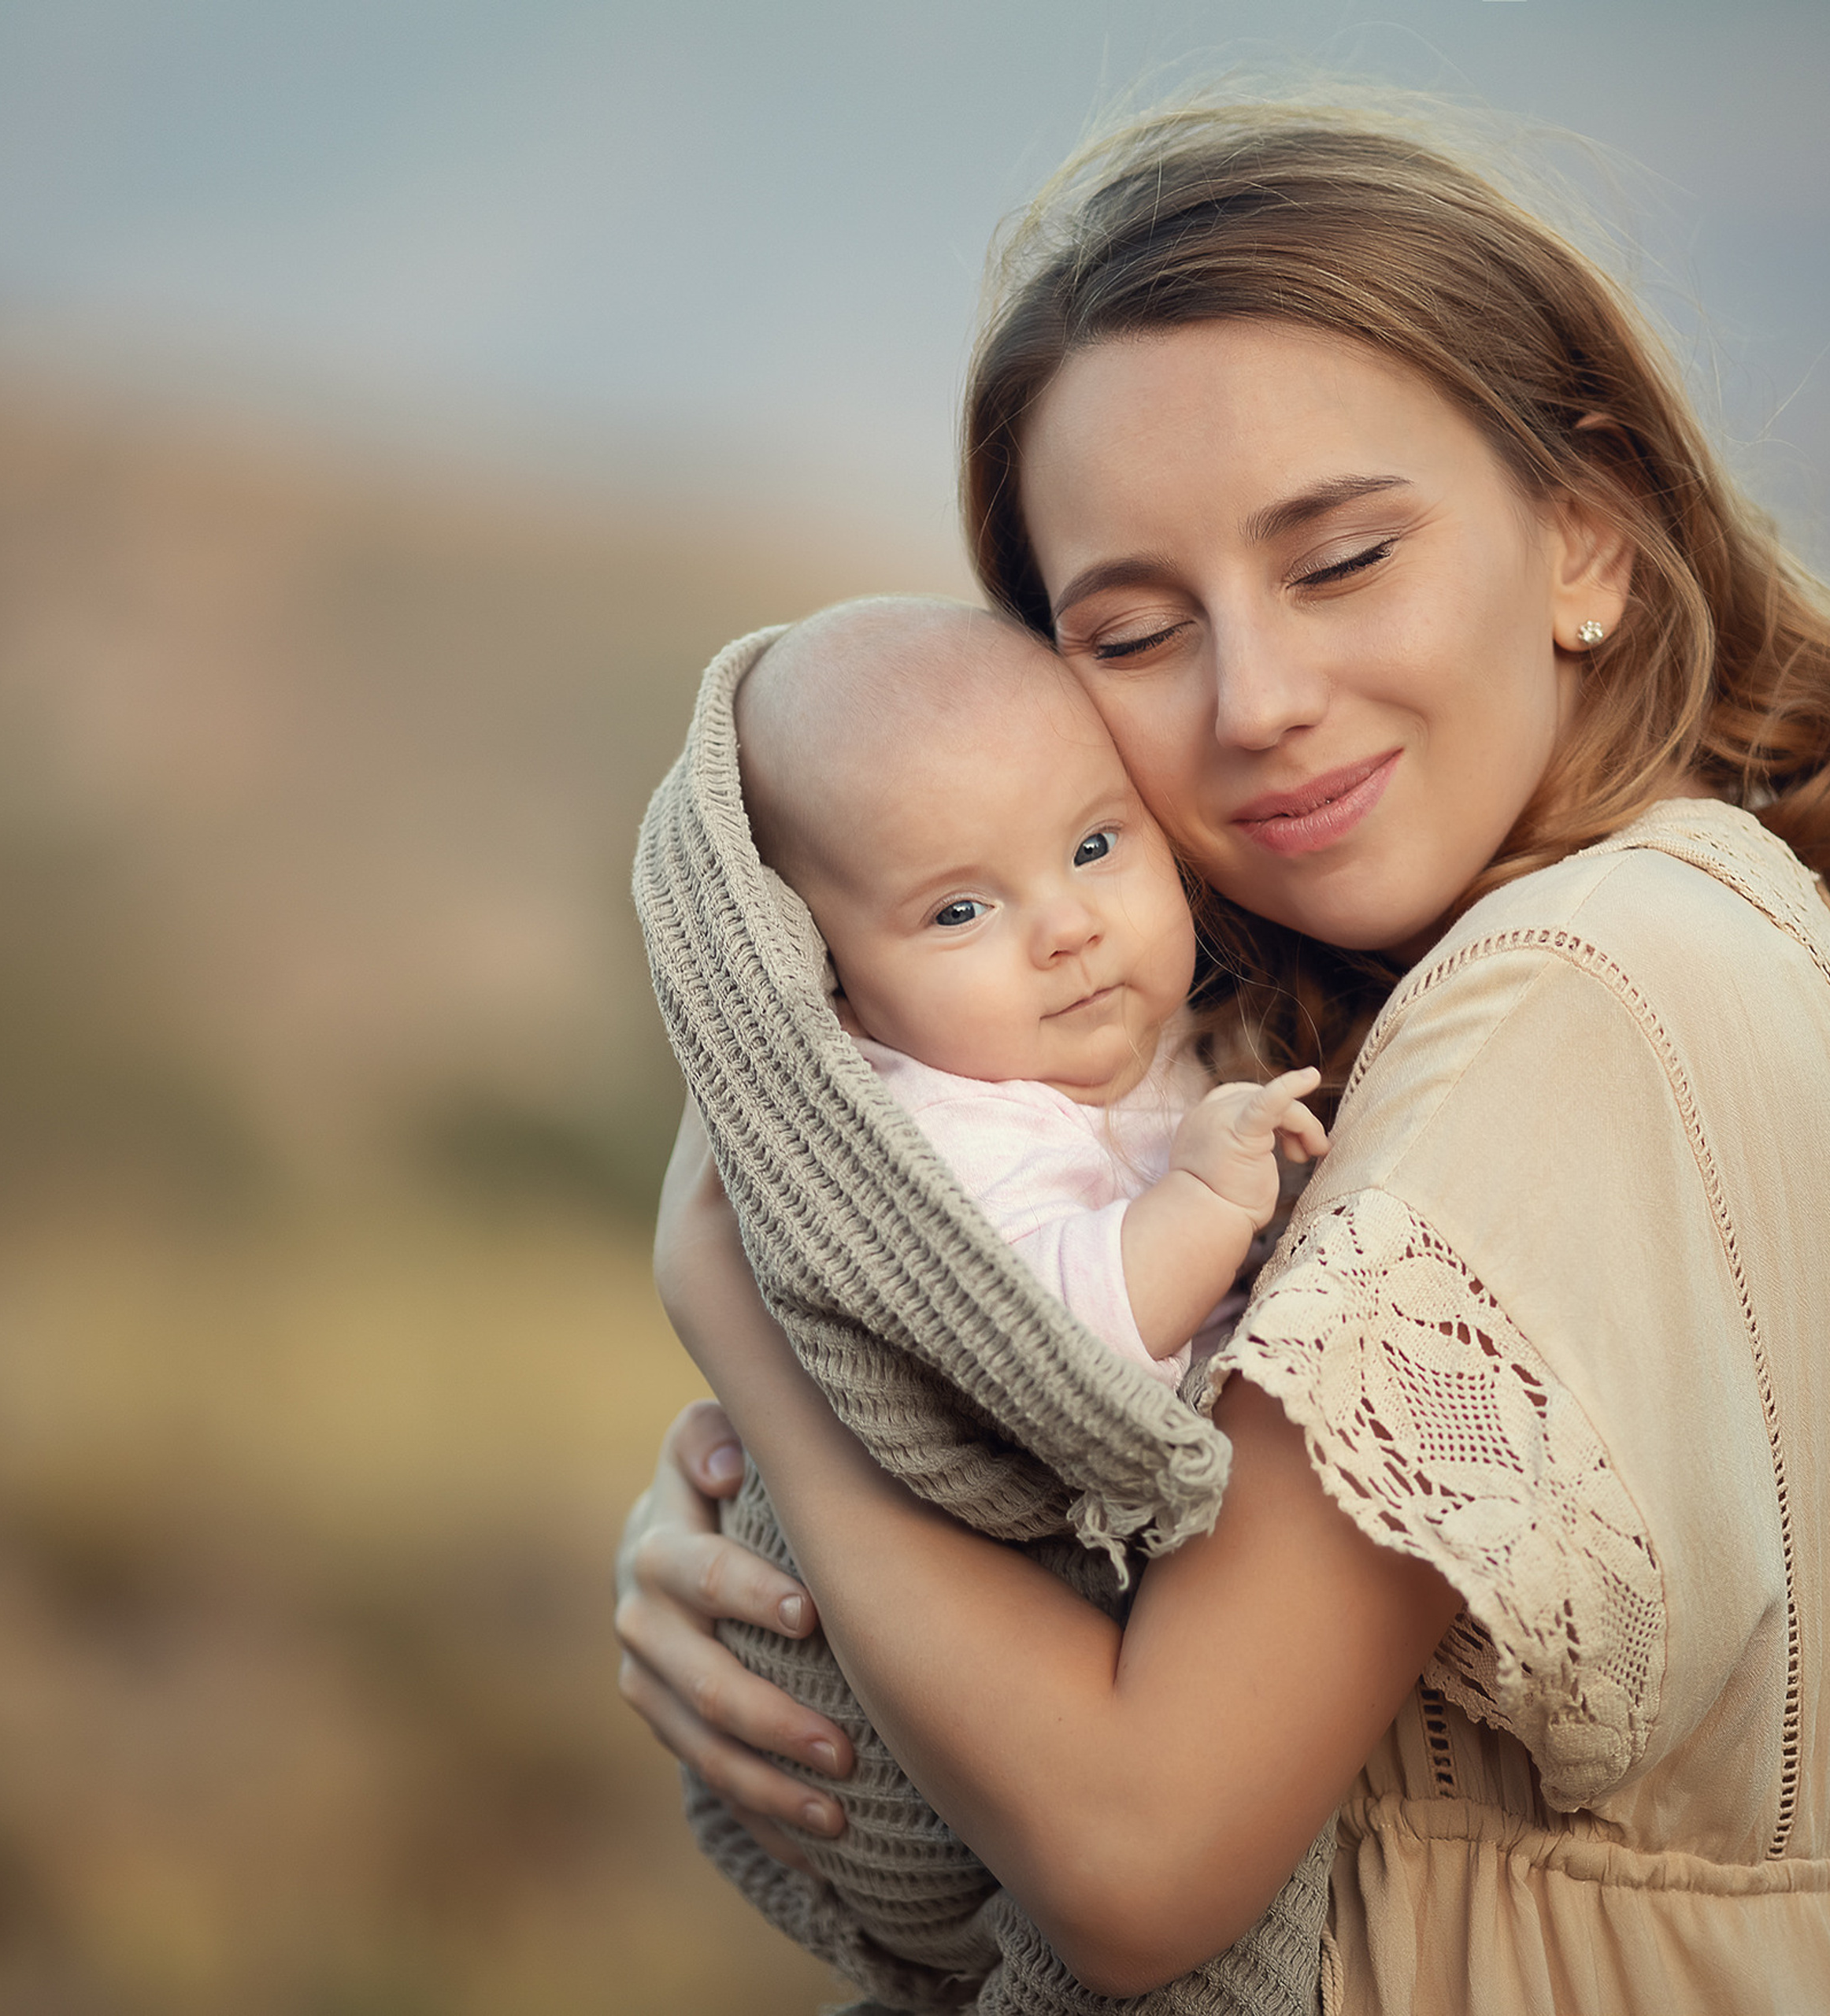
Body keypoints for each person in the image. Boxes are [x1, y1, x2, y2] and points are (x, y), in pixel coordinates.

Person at [614, 102, 1830, 2012]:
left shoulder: (1567, 989)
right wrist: (758, 1577)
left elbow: (1129, 1853)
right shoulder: (1454, 988)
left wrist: (756, 1320)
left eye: (1338, 560)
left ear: (1583, 530)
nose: (1254, 701)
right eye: (1132, 627)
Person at [735, 594, 1327, 1382]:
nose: (1068, 927)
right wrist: (1207, 1197)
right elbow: (1038, 1345)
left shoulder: (1164, 1020)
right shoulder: (942, 1129)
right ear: (834, 979)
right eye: (959, 910)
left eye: (1092, 846)